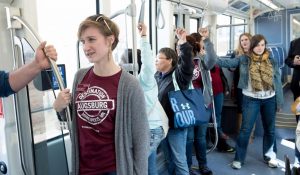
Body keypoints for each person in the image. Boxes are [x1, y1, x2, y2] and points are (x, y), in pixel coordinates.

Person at [53, 14, 149, 175]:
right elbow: (74, 118)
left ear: (110, 40)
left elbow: (141, 138)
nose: (85, 47)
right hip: (82, 167)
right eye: (83, 41)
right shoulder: (80, 77)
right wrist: (59, 108)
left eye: (91, 39)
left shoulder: (130, 85)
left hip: (114, 169)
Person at [217, 34, 283, 169]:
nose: (260, 48)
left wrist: (279, 101)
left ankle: (270, 156)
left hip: (269, 98)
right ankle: (239, 159)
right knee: (245, 130)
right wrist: (207, 49)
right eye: (257, 45)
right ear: (252, 46)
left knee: (270, 129)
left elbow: (276, 80)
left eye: (262, 45)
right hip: (251, 99)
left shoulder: (271, 59)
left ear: (265, 46)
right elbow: (225, 63)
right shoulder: (244, 59)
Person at [155, 28, 193, 175]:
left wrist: (182, 41)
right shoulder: (158, 76)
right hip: (162, 124)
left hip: (176, 124)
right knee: (168, 158)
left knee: (179, 159)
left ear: (170, 60)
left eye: (159, 58)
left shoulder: (179, 76)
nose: (156, 61)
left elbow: (188, 65)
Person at [137, 22, 167, 175]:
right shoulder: (138, 81)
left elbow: (147, 63)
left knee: (137, 165)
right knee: (150, 165)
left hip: (151, 129)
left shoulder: (144, 79)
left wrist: (143, 37)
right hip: (151, 127)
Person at [185, 29, 217, 175]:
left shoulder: (201, 61)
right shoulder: (182, 61)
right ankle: (188, 166)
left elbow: (212, 60)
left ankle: (203, 165)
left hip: (203, 104)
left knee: (200, 137)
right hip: (187, 104)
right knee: (189, 138)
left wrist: (207, 39)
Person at [285, 37, 300, 168]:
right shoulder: (295, 43)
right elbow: (287, 60)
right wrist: (293, 61)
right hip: (298, 87)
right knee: (299, 116)